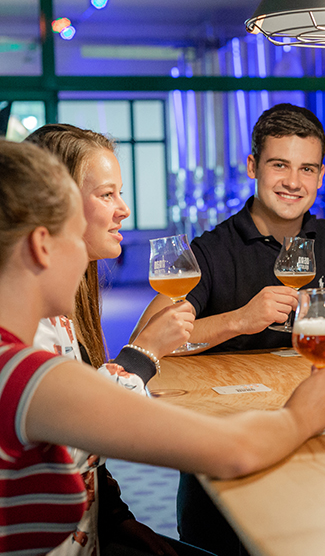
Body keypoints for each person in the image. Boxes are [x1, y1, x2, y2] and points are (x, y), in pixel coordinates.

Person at [0, 139, 325, 555]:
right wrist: (300, 415)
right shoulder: (24, 373)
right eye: (76, 232)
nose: (121, 211)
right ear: (41, 245)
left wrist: (116, 523)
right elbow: (234, 450)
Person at [26, 124, 200, 556]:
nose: (123, 208)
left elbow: (88, 460)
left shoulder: (68, 306)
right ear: (56, 203)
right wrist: (144, 353)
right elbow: (79, 431)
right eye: (107, 194)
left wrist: (119, 520)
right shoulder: (25, 319)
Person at [135, 104, 325, 354]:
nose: (292, 182)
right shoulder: (212, 250)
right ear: (252, 167)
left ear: (320, 177)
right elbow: (142, 341)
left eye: (306, 169)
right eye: (279, 165)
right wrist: (240, 321)